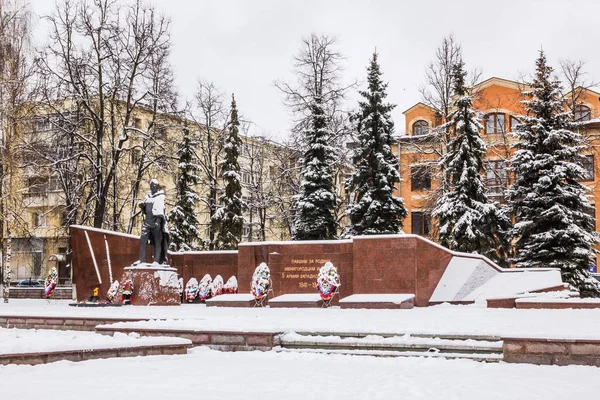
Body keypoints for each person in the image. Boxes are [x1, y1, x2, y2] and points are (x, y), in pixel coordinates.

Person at [134, 179, 170, 265]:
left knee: (158, 241)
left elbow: (161, 209)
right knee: (143, 240)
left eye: (154, 186)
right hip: (147, 222)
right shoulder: (147, 196)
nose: (152, 187)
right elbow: (145, 208)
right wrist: (142, 206)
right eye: (151, 186)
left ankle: (156, 260)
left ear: (157, 187)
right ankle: (141, 260)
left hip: (156, 223)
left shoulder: (160, 196)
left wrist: (158, 221)